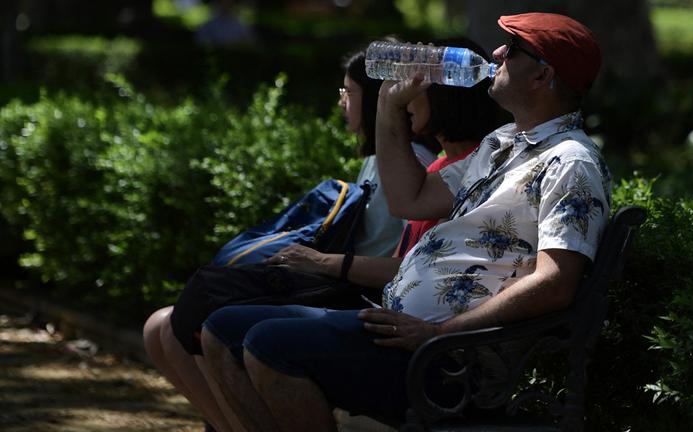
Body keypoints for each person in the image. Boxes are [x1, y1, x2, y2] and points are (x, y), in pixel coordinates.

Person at [201, 12, 613, 431]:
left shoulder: (571, 163)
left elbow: (556, 283)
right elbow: (407, 199)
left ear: (542, 76)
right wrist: (389, 104)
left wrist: (439, 333)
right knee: (220, 330)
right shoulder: (501, 142)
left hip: (450, 360)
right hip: (406, 331)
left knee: (268, 345)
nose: (497, 52)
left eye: (514, 48)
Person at [198, 38, 502, 432]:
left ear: (446, 95)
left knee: (260, 340)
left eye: (418, 87)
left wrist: (326, 263)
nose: (407, 98)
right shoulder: (444, 166)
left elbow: (403, 211)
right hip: (390, 316)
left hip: (428, 347)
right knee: (217, 325)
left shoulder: (473, 166)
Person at [141, 46, 443, 432]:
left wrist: (322, 263)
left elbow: (402, 260)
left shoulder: (412, 163)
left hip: (357, 294)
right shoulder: (381, 157)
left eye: (348, 92)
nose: (340, 101)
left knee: (197, 319)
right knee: (165, 323)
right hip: (338, 283)